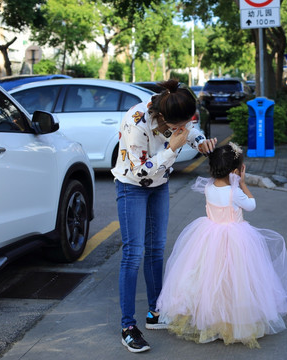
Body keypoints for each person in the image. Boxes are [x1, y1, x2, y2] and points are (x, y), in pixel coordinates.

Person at [111, 79, 217, 353]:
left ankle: (155, 313)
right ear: (162, 116)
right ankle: (128, 327)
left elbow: (192, 131)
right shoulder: (136, 121)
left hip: (159, 186)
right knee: (134, 253)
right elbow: (139, 172)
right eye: (177, 126)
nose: (183, 129)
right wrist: (171, 150)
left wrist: (201, 143)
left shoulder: (179, 116)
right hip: (132, 186)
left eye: (186, 123)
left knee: (157, 249)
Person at [155, 143, 287, 348]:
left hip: (209, 235)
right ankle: (235, 321)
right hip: (236, 239)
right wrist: (243, 183)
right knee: (236, 281)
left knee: (209, 279)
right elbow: (251, 205)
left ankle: (210, 319)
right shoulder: (234, 192)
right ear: (236, 171)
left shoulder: (208, 187)